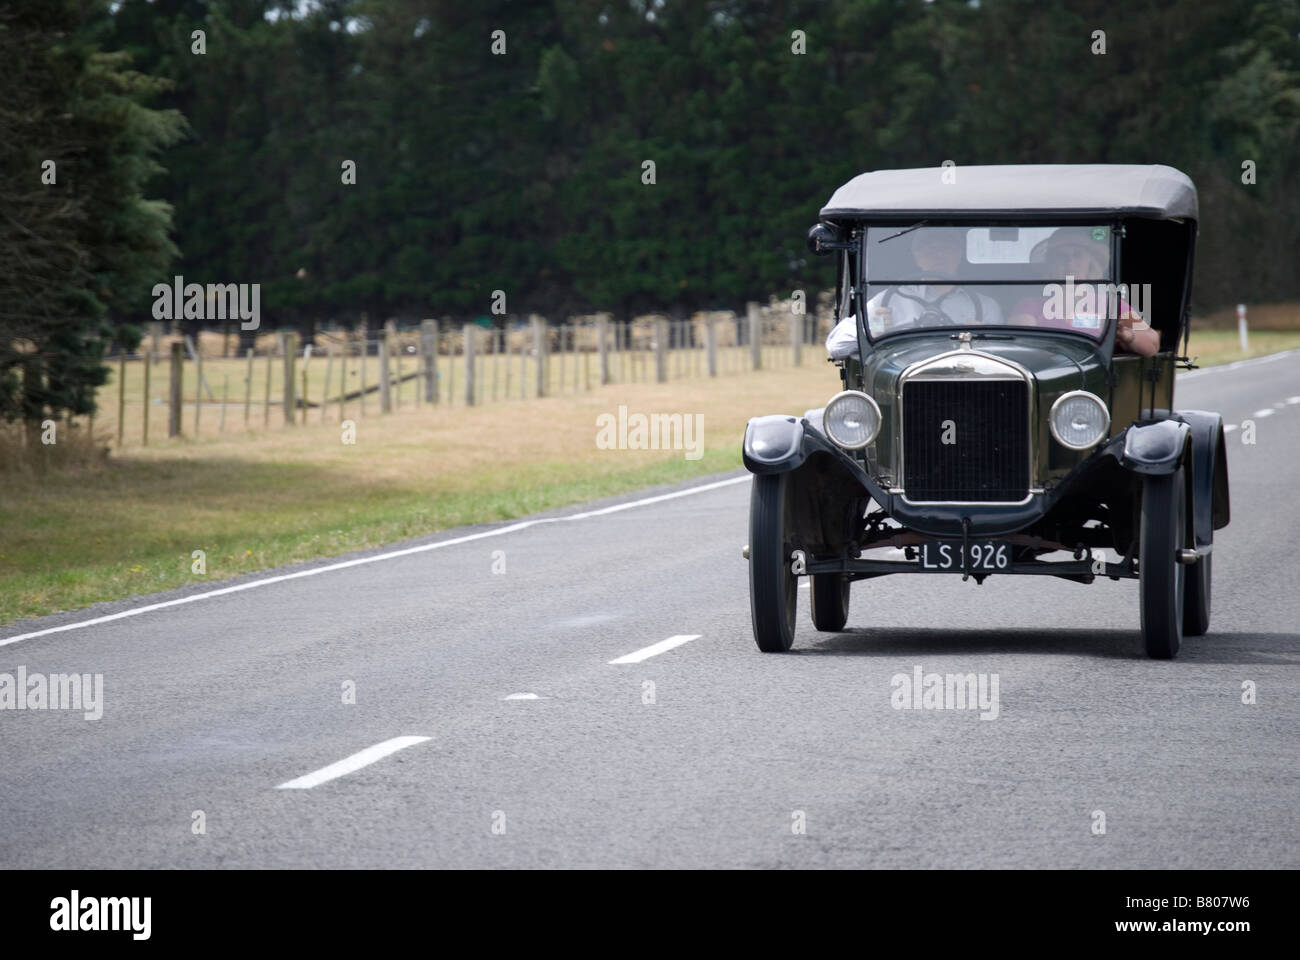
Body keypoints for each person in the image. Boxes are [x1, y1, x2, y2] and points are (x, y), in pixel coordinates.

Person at [826, 228, 1003, 359]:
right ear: (916, 257)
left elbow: (1007, 356)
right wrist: (876, 331)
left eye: (947, 247)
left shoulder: (983, 306)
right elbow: (836, 345)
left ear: (960, 254)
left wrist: (983, 340)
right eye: (928, 249)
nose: (938, 255)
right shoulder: (892, 300)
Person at [1008, 231, 1159, 356]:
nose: (1070, 263)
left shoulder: (1110, 304)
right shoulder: (1031, 304)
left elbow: (1152, 344)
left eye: (1078, 255)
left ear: (1090, 263)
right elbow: (1015, 340)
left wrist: (1126, 335)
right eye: (1061, 257)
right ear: (1050, 266)